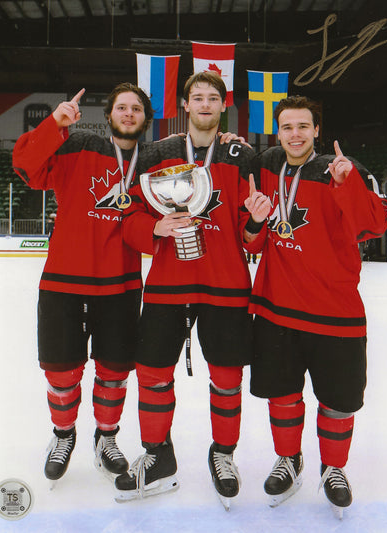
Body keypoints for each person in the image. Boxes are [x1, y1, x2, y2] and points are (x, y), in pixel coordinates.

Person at [115, 71, 269, 509]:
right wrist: (155, 226)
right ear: (185, 106)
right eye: (196, 97)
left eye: (213, 98)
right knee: (153, 374)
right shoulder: (156, 153)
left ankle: (223, 454)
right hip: (168, 284)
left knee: (226, 379)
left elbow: (249, 234)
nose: (205, 104)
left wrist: (256, 222)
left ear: (224, 106)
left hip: (226, 287)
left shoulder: (243, 154)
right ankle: (157, 454)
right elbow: (130, 220)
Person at [245, 95, 387, 517]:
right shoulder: (267, 167)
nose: (295, 134)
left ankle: (333, 467)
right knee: (283, 396)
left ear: (316, 131)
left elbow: (373, 225)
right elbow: (250, 239)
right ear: (279, 132)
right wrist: (254, 222)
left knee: (338, 401)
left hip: (335, 313)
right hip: (277, 310)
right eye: (287, 127)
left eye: (303, 127)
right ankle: (290, 460)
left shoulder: (341, 170)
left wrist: (348, 183)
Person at [12, 83, 154, 485]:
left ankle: (106, 437)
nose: (129, 114)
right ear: (109, 114)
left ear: (146, 118)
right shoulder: (78, 147)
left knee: (114, 370)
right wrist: (55, 123)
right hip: (63, 282)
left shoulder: (154, 161)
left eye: (137, 109)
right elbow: (26, 166)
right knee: (61, 371)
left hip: (120, 286)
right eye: (122, 107)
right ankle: (63, 435)